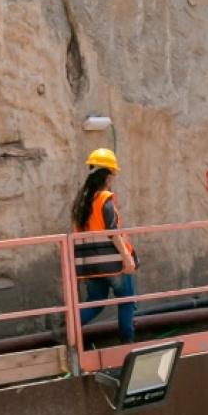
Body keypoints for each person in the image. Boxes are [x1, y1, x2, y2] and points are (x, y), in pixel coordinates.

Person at [70, 148, 137, 348]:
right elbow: (112, 231)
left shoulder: (81, 201)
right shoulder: (104, 198)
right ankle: (127, 345)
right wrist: (126, 257)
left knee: (96, 302)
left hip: (89, 265)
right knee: (126, 301)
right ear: (107, 176)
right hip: (111, 263)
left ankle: (69, 329)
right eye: (113, 175)